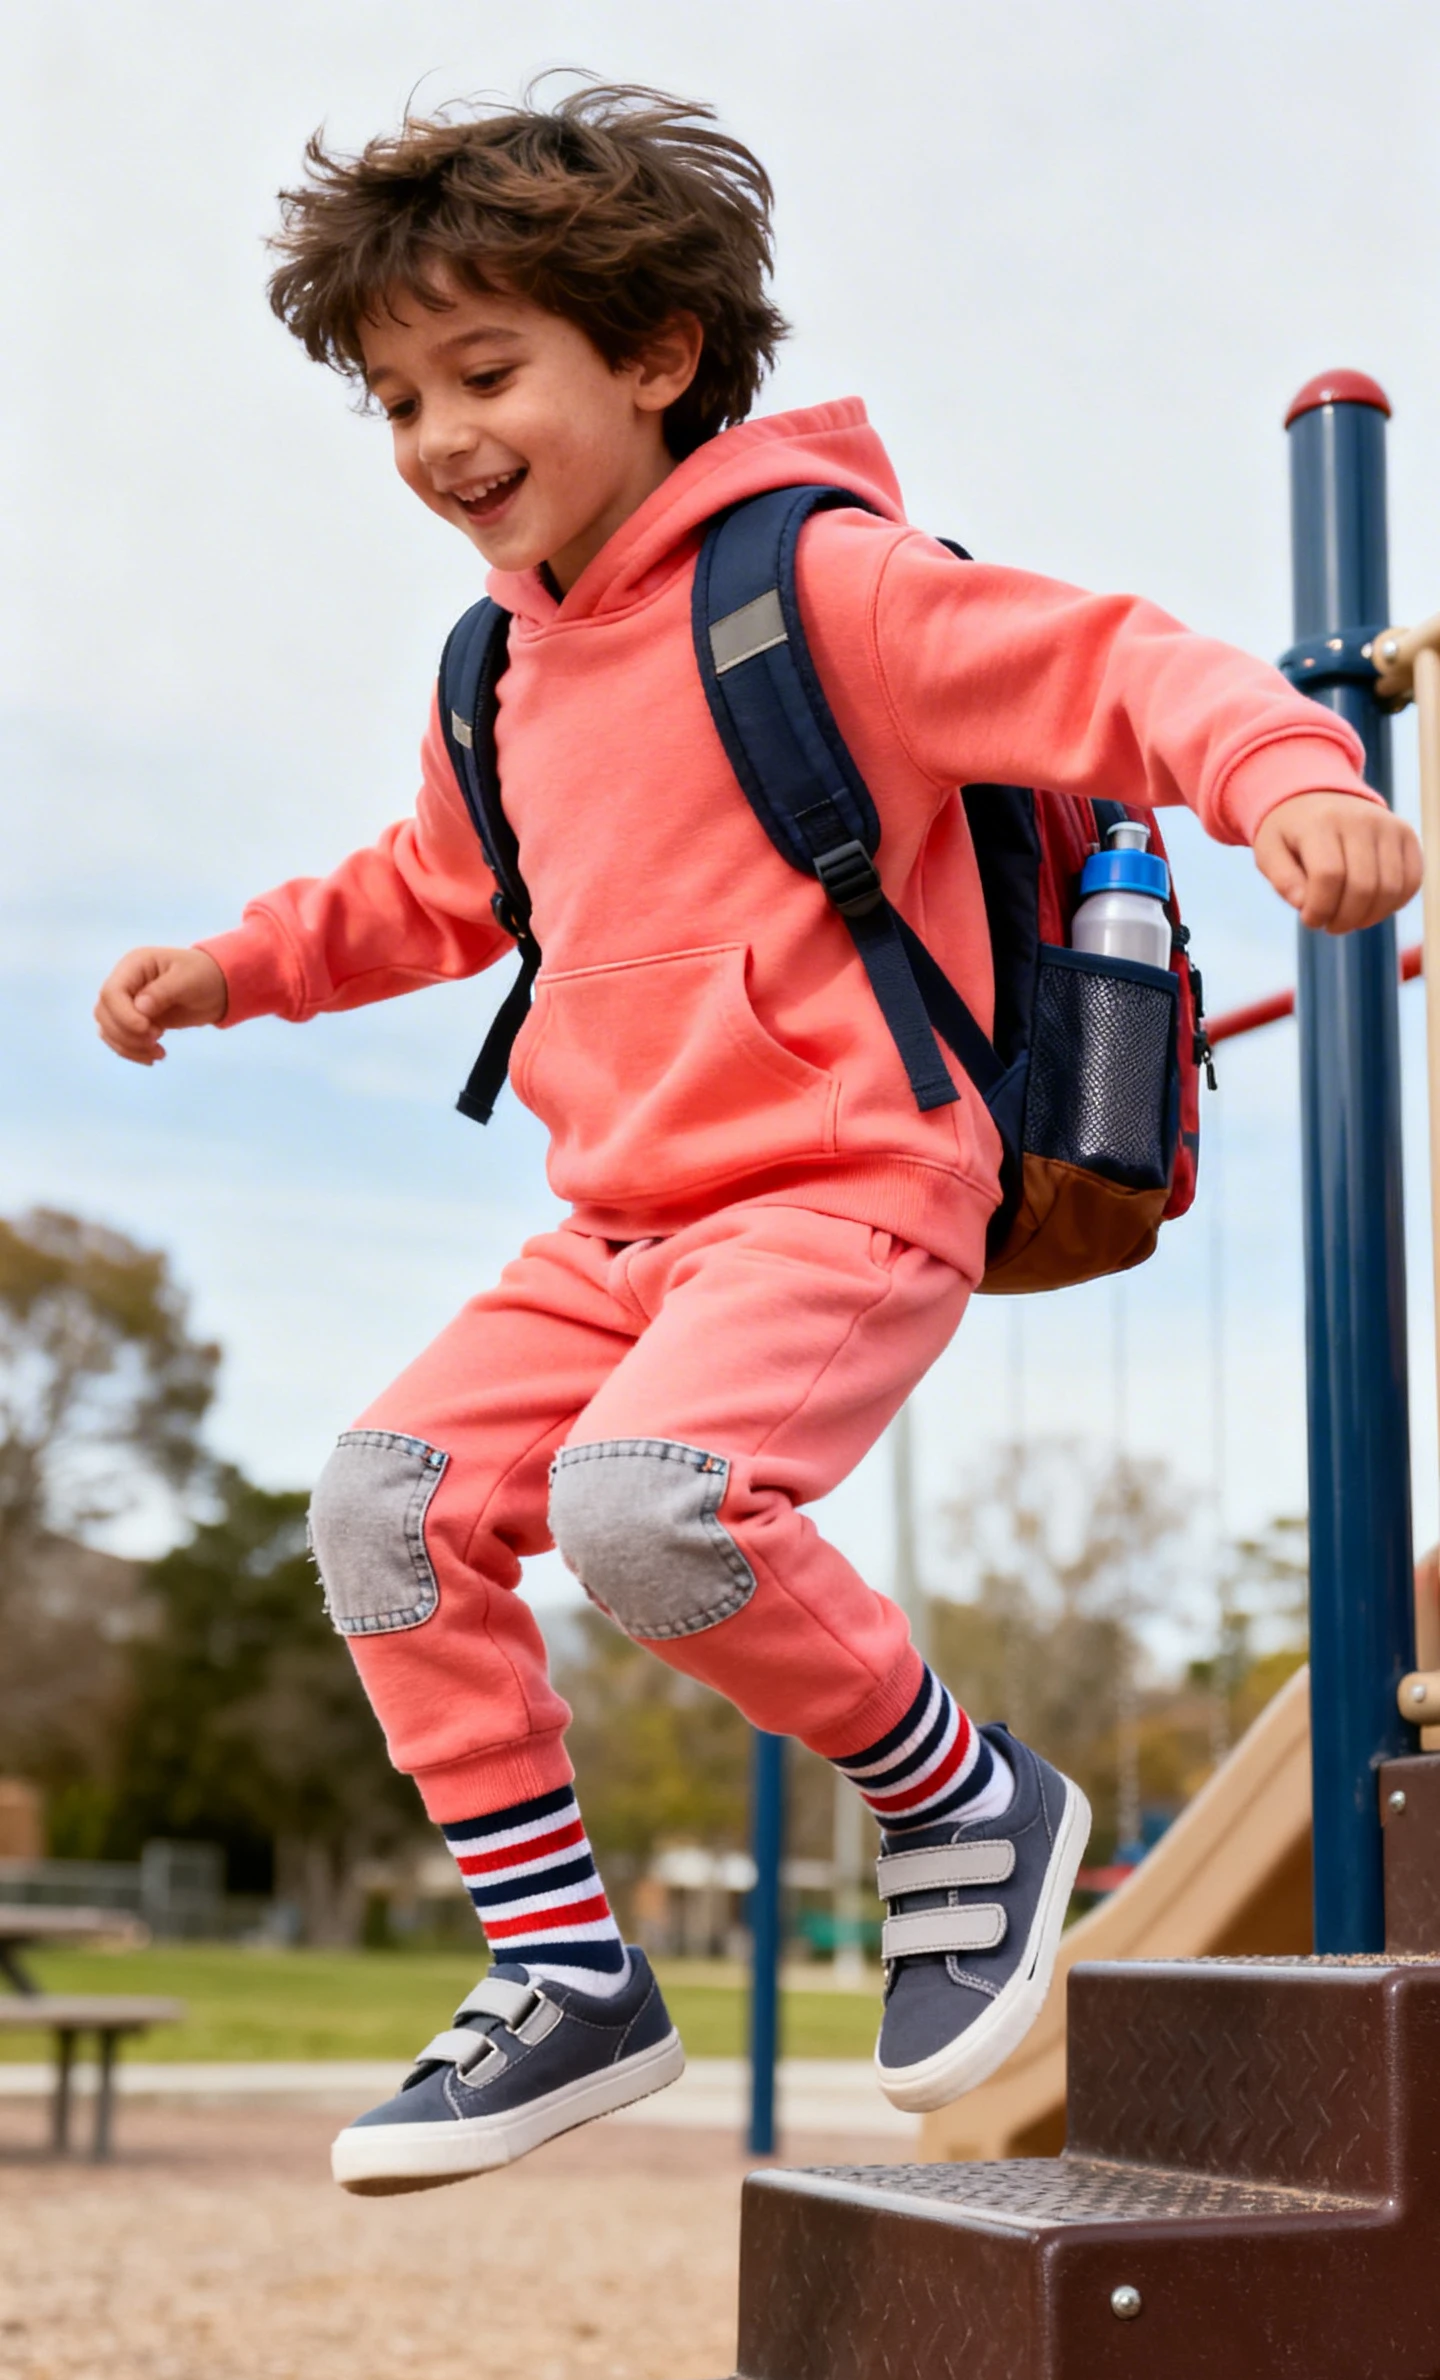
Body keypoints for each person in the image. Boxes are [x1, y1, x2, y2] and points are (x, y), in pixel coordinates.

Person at [95, 84, 1419, 2195]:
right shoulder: (496, 672)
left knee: (649, 1505)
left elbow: (1114, 667)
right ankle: (566, 1971)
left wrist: (1289, 772)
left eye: (485, 372)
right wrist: (235, 967)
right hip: (618, 1227)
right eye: (398, 398)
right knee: (382, 1506)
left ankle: (960, 1794)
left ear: (655, 353)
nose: (437, 438)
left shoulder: (819, 587)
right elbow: (432, 890)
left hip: (847, 1178)